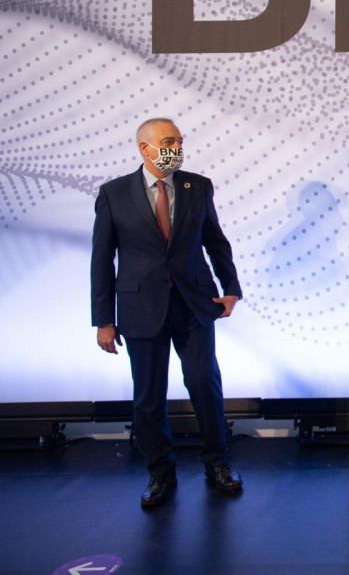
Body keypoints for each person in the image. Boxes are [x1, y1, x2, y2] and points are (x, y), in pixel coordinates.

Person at [91, 118, 243, 507]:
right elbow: (101, 260)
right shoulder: (113, 194)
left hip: (194, 304)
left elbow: (215, 240)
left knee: (203, 384)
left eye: (178, 140)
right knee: (148, 396)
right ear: (145, 148)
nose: (176, 146)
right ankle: (160, 472)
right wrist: (104, 319)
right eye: (168, 141)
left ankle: (218, 463)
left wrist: (230, 289)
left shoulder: (198, 185)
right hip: (140, 307)